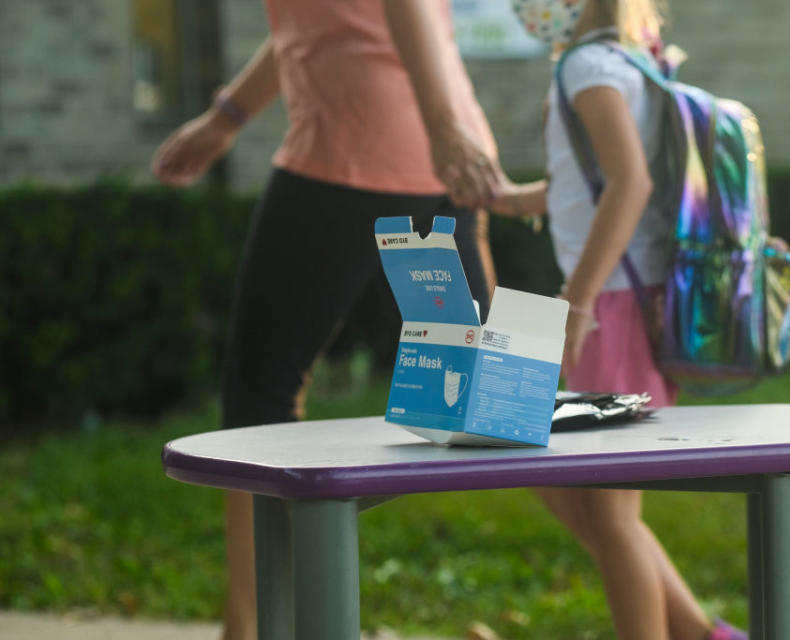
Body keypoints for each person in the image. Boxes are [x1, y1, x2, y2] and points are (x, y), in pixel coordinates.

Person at [151, 2, 501, 638]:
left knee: (260, 397)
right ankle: (677, 612)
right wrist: (226, 117)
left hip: (353, 150)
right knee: (489, 401)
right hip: (433, 153)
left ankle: (256, 625)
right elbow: (313, 21)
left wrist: (444, 127)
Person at [489, 1, 748, 639]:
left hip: (610, 309)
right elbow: (593, 176)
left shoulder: (587, 66)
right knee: (565, 481)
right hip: (634, 301)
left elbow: (630, 182)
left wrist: (576, 300)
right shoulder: (629, 58)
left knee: (610, 515)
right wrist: (513, 199)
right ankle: (702, 634)